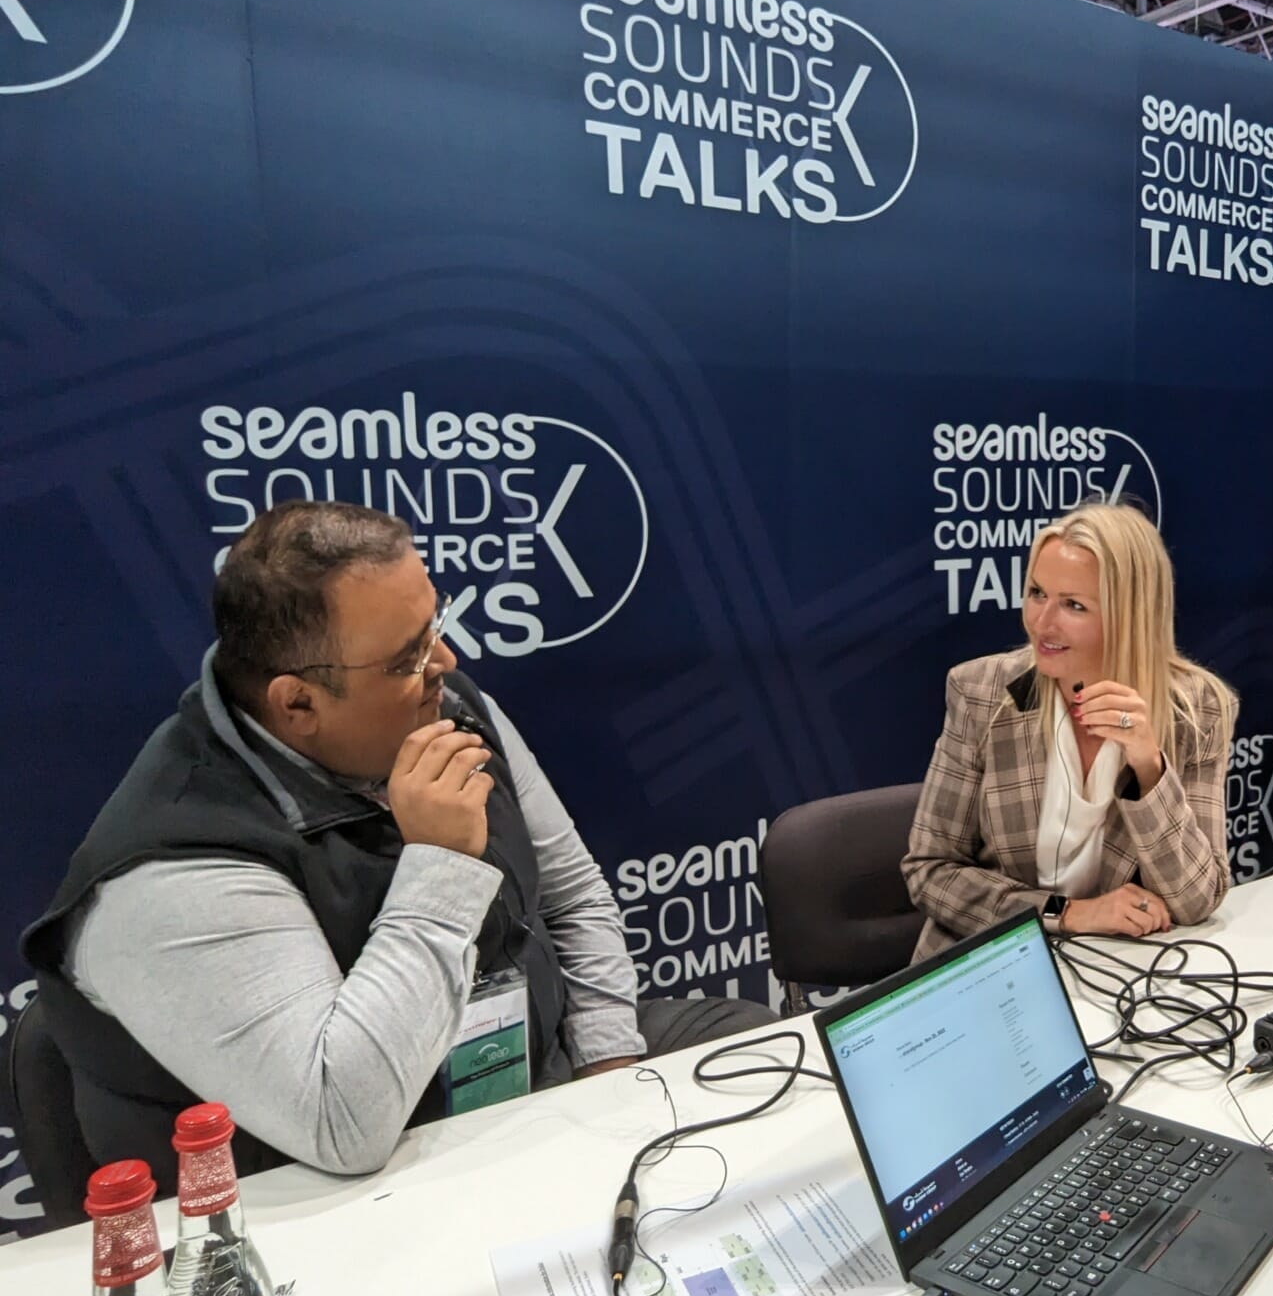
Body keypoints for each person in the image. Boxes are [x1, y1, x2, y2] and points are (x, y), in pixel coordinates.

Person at [21, 501, 772, 1193]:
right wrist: (440, 867)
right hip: (339, 1198)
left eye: (435, 626)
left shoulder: (448, 705)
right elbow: (344, 1123)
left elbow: (572, 892)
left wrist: (611, 1071)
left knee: (764, 1062)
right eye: (407, 657)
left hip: (529, 1088)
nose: (443, 663)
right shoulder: (174, 870)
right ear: (298, 703)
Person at [904, 501, 1239, 961]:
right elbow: (930, 871)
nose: (1041, 623)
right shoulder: (980, 692)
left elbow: (1197, 899)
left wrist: (1148, 764)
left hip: (1120, 969)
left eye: (1074, 605)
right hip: (990, 966)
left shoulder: (1197, 709)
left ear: (1130, 614)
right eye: (1038, 593)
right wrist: (1068, 913)